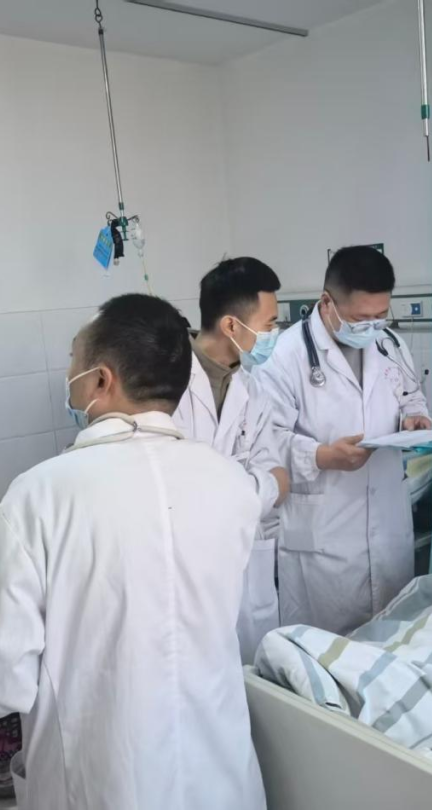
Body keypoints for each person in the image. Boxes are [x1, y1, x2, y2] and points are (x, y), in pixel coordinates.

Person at [0, 295, 266, 810]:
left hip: (102, 778)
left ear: (100, 380)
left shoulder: (41, 494)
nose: (69, 375)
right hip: (218, 771)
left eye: (74, 360)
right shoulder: (231, 483)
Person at [252, 246, 432, 635]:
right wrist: (321, 456)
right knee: (323, 650)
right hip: (324, 535)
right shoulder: (285, 356)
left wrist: (416, 417)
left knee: (391, 639)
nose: (372, 326)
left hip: (386, 520)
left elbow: (411, 394)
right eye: (360, 318)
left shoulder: (389, 344)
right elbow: (265, 441)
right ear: (327, 303)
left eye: (380, 315)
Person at [173, 257, 289, 663]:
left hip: (243, 563)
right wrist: (252, 487)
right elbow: (174, 489)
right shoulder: (167, 385)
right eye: (269, 324)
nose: (274, 334)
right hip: (186, 567)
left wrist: (237, 488)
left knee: (249, 675)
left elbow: (278, 477)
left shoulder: (252, 390)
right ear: (231, 326)